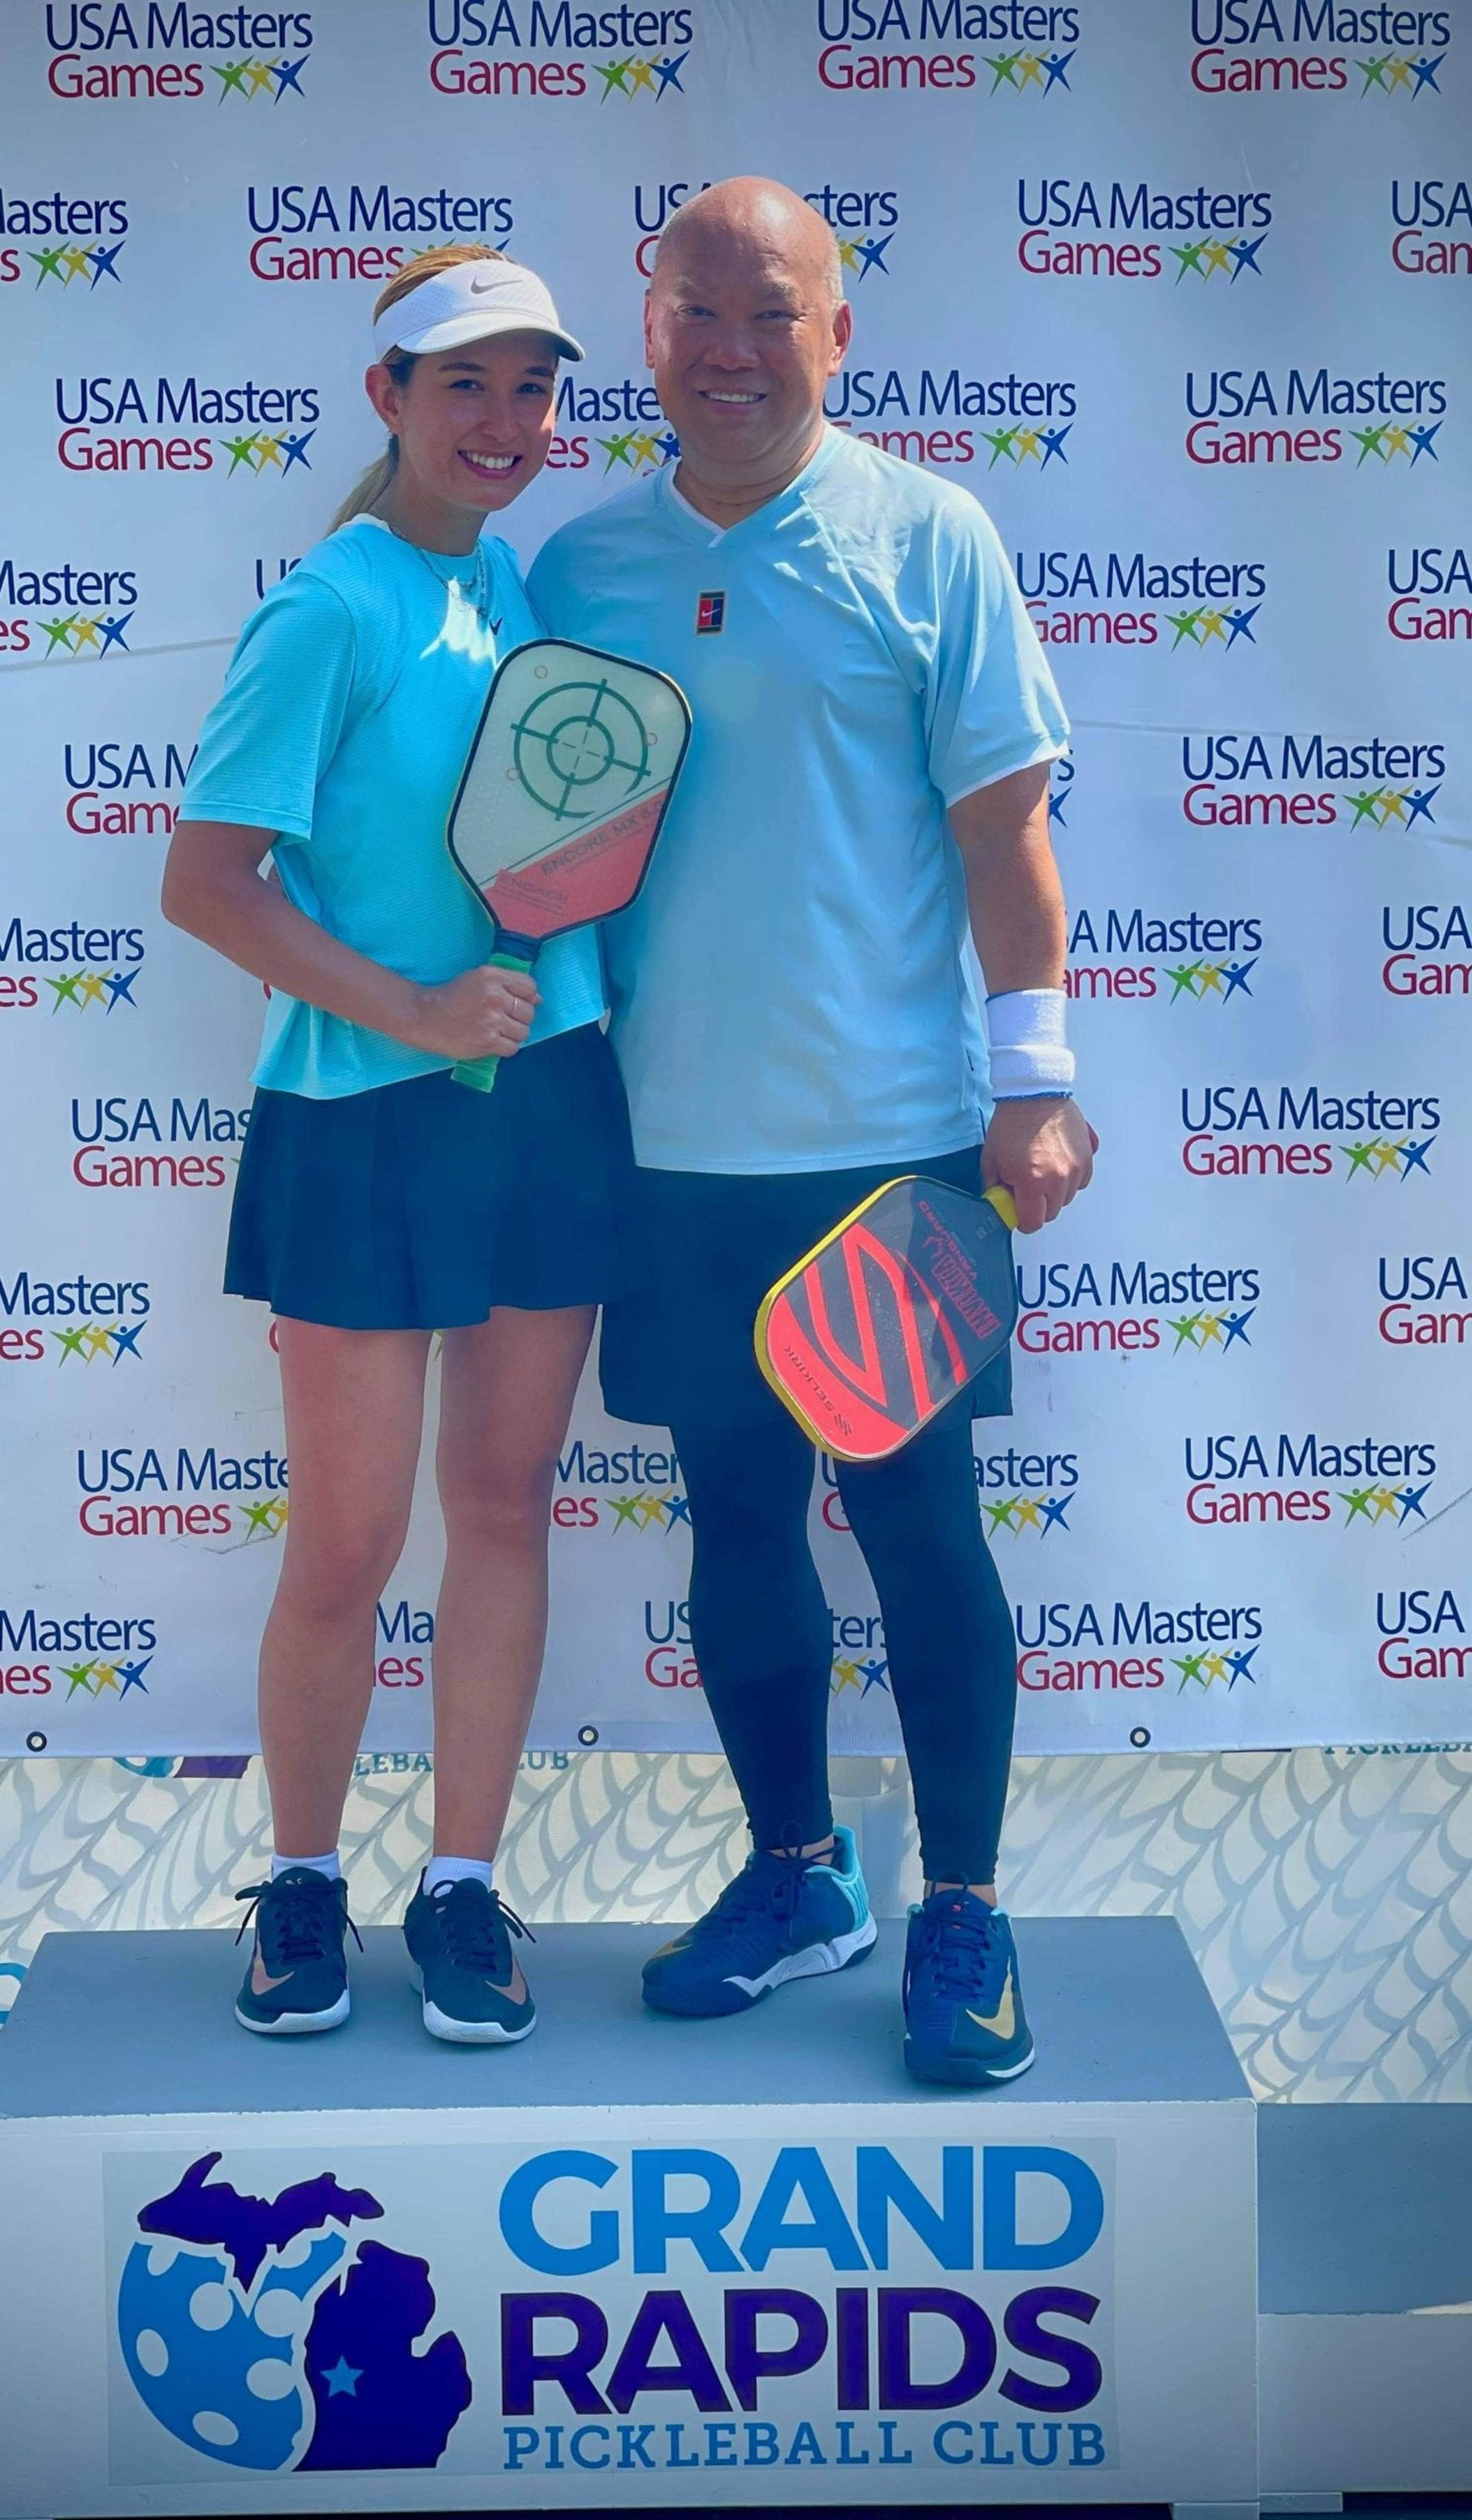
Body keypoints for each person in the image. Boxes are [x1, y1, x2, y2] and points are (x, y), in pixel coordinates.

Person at [529, 178, 1096, 2086]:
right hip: (672, 1148)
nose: (732, 347)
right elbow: (539, 852)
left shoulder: (929, 535)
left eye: (771, 313)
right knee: (738, 1521)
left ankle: (965, 1908)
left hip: (893, 1149)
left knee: (922, 1524)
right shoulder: (581, 569)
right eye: (698, 309)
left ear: (837, 335)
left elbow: (1007, 832)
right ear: (649, 329)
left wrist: (1037, 1077)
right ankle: (799, 1874)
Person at [162, 246, 629, 2048]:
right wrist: (414, 1013)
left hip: (548, 1102)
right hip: (362, 1120)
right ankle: (297, 1883)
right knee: (347, 1544)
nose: (505, 422)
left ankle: (462, 1884)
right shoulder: (331, 607)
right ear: (390, 401)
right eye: (465, 387)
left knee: (501, 1508)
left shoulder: (516, 595)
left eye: (531, 389)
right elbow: (207, 884)